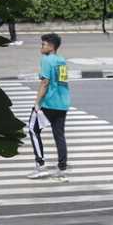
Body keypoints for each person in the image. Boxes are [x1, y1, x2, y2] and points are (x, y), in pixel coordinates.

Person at [27, 33, 70, 180]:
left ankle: (40, 166)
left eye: (43, 44)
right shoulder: (61, 60)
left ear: (51, 47)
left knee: (33, 129)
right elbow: (62, 81)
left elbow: (45, 83)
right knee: (59, 135)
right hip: (62, 103)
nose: (41, 47)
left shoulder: (46, 60)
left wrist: (37, 103)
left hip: (48, 103)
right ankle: (62, 169)